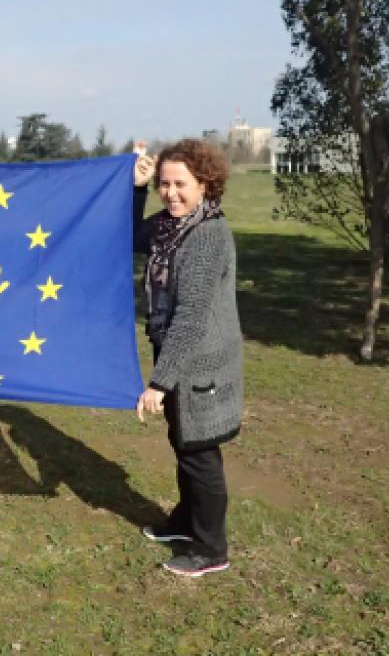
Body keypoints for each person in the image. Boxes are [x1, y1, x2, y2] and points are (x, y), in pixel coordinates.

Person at [131, 139, 243, 577]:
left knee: (200, 451)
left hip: (201, 362)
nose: (171, 193)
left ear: (205, 184)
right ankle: (185, 521)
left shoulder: (207, 235)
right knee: (182, 440)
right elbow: (126, 234)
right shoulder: (167, 225)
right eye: (164, 184)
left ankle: (211, 548)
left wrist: (159, 383)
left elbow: (192, 318)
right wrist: (136, 188)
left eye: (181, 185)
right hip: (175, 349)